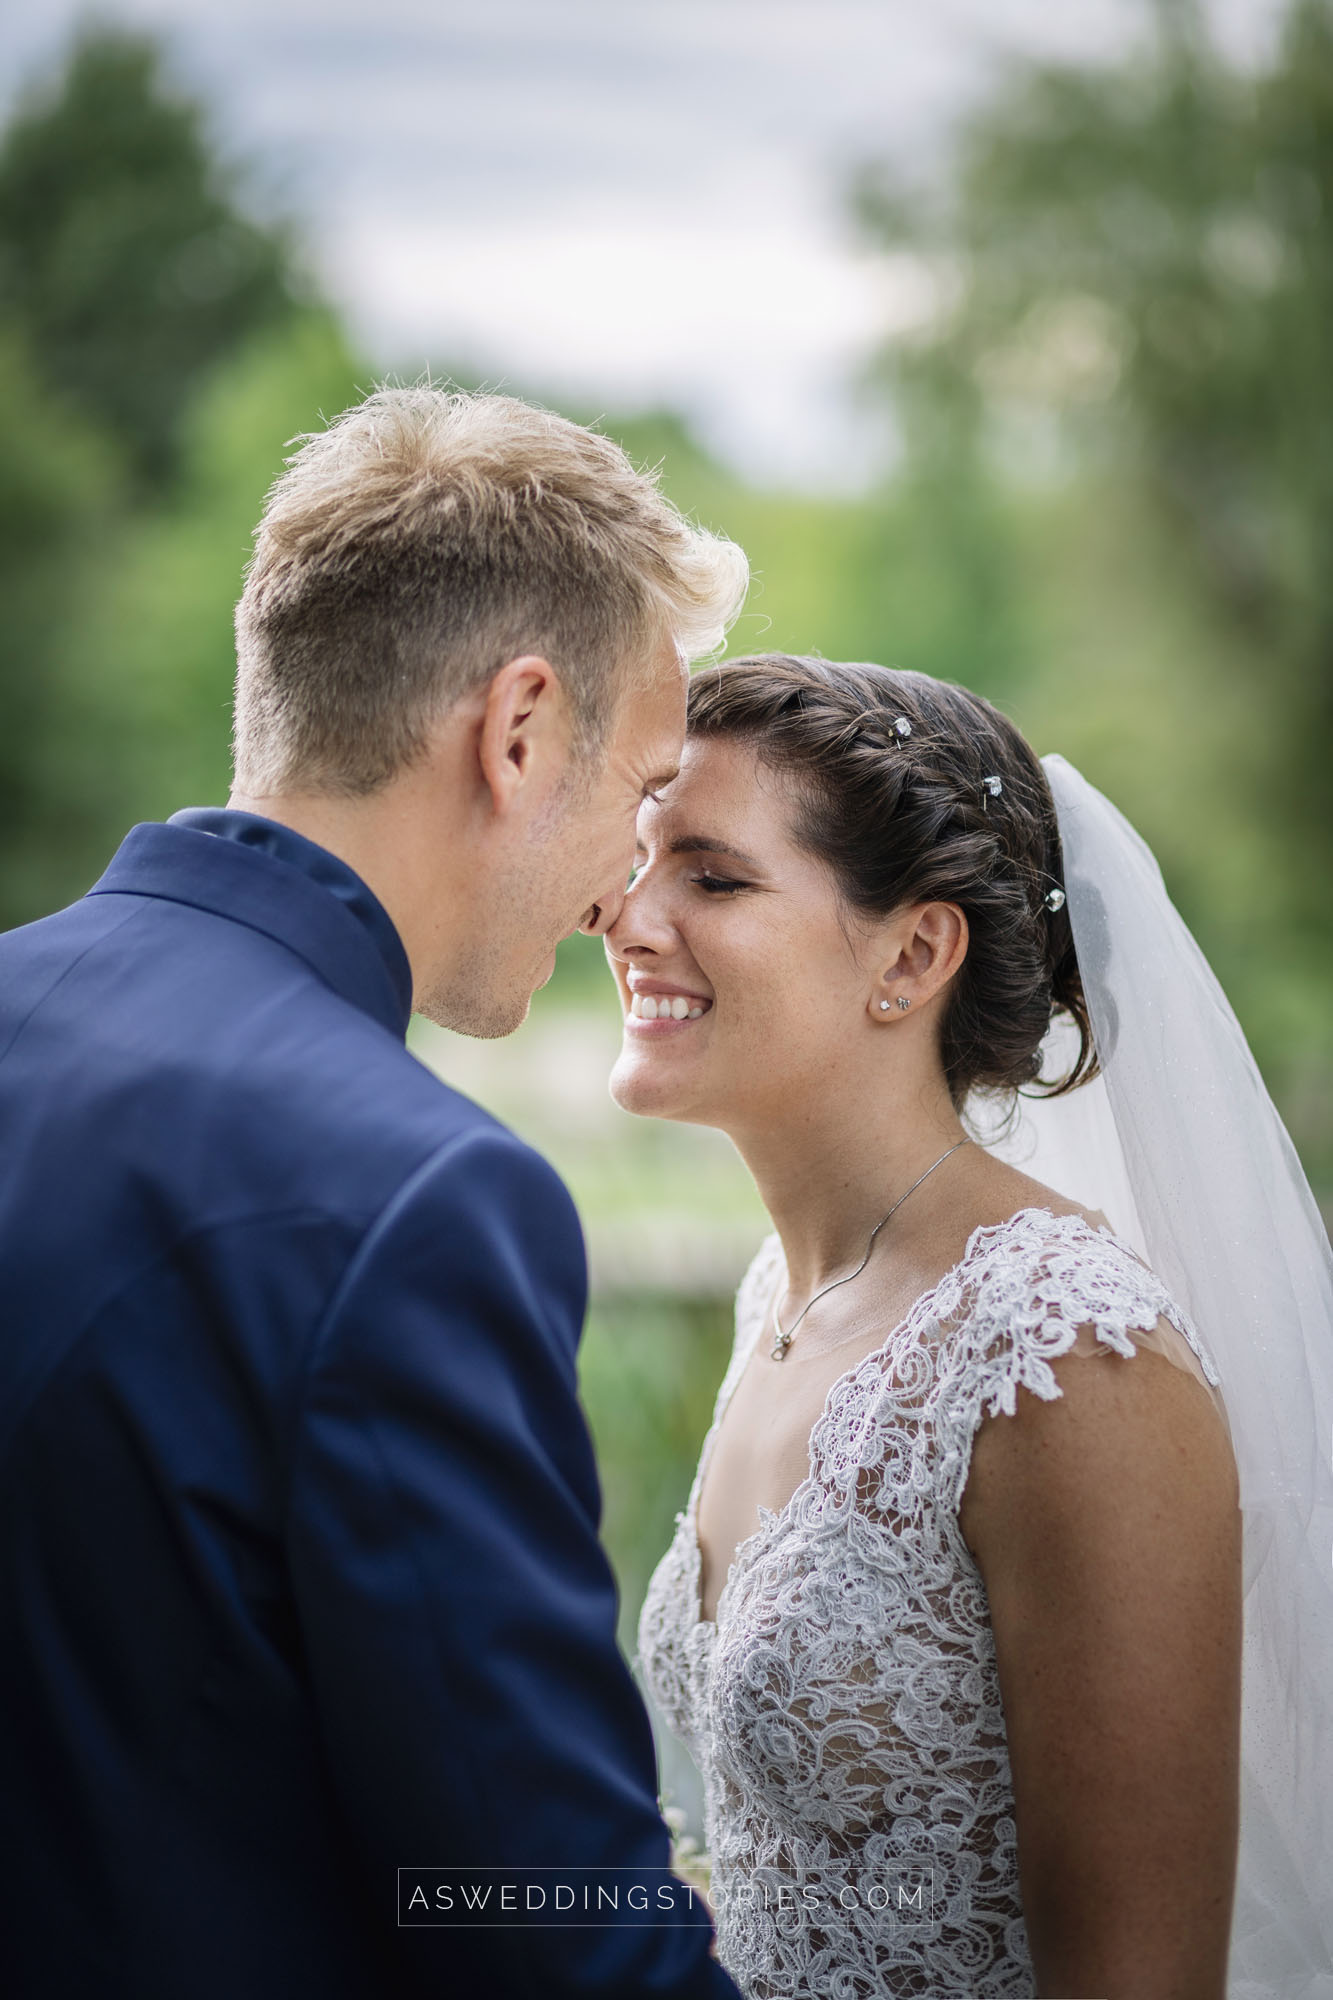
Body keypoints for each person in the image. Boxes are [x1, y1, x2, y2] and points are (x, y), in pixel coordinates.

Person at [0, 387, 750, 2000]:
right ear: (519, 730)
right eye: (638, 793)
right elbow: (546, 1926)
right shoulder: (421, 1198)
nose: (623, 893)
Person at [610, 653, 1333, 1998]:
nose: (625, 914)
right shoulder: (785, 1294)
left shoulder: (1064, 1355)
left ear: (912, 954)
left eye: (711, 878)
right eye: (638, 858)